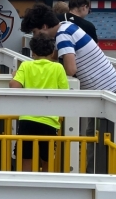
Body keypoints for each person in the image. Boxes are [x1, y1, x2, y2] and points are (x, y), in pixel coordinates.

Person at [19, 4, 116, 92]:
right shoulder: (66, 26)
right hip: (110, 85)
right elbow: (53, 57)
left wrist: (27, 72)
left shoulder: (63, 35)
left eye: (35, 32)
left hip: (106, 89)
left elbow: (71, 70)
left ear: (44, 26)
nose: (35, 36)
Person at [9, 34, 70, 172]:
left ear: (32, 52)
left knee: (26, 158)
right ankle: (46, 189)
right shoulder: (58, 68)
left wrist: (15, 75)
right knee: (47, 159)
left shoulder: (26, 65)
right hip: (49, 121)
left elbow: (14, 86)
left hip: (27, 119)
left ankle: (26, 188)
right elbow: (65, 93)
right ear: (52, 52)